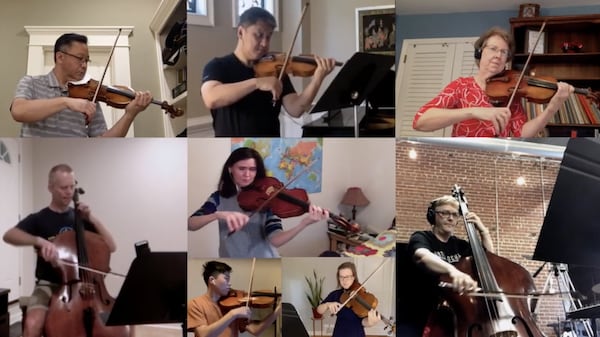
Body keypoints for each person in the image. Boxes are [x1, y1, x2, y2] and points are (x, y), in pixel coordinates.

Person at [2, 164, 117, 337]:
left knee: (113, 322)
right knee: (33, 324)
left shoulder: (80, 217)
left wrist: (91, 218)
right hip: (47, 284)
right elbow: (9, 235)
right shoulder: (39, 218)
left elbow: (111, 246)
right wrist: (38, 241)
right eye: (64, 187)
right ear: (50, 188)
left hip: (85, 284)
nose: (69, 192)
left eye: (72, 186)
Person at [413, 26, 574, 137]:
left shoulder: (512, 92)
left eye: (504, 52)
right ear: (479, 53)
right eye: (493, 49)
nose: (498, 55)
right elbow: (420, 121)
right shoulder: (461, 86)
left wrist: (551, 110)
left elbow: (521, 133)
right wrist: (472, 111)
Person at [201, 7, 337, 137]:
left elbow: (296, 109)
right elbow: (211, 98)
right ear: (240, 32)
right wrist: (257, 83)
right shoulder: (218, 66)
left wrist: (318, 79)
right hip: (235, 147)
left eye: (269, 36)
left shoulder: (276, 70)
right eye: (259, 35)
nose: (265, 43)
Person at [188, 147, 329, 257]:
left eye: (252, 169)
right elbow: (191, 224)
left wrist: (303, 224)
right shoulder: (218, 198)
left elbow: (275, 240)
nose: (247, 174)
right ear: (230, 169)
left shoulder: (267, 199)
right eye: (241, 168)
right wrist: (218, 215)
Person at [10, 33, 153, 137]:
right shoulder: (31, 83)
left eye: (87, 60)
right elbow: (18, 111)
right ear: (60, 57)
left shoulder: (89, 96)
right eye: (80, 58)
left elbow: (103, 143)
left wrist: (130, 115)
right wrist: (66, 102)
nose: (84, 65)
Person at [396, 195, 493, 337]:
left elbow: (490, 262)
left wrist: (484, 232)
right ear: (432, 216)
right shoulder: (421, 237)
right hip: (416, 313)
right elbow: (422, 256)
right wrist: (452, 271)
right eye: (445, 213)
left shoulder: (461, 246)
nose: (450, 218)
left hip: (452, 313)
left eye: (455, 214)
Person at [187, 260, 282, 337]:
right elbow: (203, 334)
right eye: (226, 278)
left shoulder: (233, 305)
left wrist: (277, 311)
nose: (230, 283)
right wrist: (233, 314)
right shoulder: (195, 304)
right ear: (212, 280)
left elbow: (255, 330)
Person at [316, 262, 381, 337]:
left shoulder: (361, 296)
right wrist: (327, 304)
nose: (344, 280)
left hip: (356, 334)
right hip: (339, 333)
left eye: (347, 277)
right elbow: (319, 310)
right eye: (341, 277)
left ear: (353, 277)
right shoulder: (336, 294)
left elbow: (363, 322)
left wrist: (370, 323)